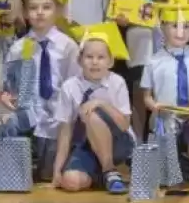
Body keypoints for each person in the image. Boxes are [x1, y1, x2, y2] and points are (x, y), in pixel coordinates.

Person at [0, 0, 80, 182]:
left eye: (46, 7)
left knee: (46, 174)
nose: (40, 13)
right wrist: (7, 97)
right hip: (30, 114)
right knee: (5, 121)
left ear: (58, 11)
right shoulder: (19, 48)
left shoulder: (68, 46)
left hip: (58, 118)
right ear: (25, 12)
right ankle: (12, 177)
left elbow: (75, 85)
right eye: (33, 8)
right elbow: (9, 85)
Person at [53, 23, 135, 194]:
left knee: (91, 114)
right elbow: (65, 130)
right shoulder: (70, 86)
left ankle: (109, 170)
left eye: (101, 57)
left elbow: (125, 124)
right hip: (87, 146)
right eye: (89, 57)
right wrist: (57, 170)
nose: (95, 62)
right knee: (70, 181)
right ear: (79, 60)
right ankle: (104, 177)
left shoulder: (117, 82)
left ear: (110, 61)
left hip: (119, 142)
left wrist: (101, 103)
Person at [116, 0, 173, 139]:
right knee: (139, 94)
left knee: (163, 93)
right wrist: (121, 19)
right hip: (138, 44)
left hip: (163, 42)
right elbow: (118, 15)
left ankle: (165, 139)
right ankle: (138, 143)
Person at [141, 3, 189, 185]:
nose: (181, 32)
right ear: (162, 27)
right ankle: (176, 166)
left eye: (186, 26)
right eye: (174, 26)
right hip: (165, 116)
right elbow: (147, 96)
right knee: (168, 164)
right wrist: (154, 106)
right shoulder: (153, 60)